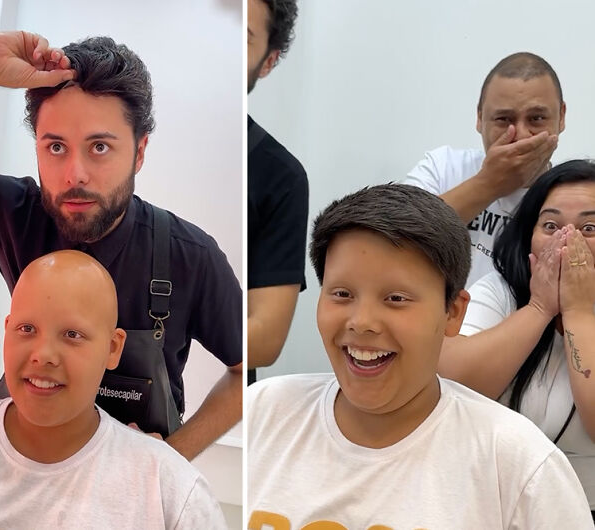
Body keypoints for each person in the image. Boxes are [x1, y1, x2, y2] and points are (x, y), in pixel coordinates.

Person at [0, 31, 242, 460]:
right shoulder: (14, 213)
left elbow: (245, 370)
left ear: (139, 152)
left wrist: (172, 459)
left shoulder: (191, 256)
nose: (74, 174)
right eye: (55, 147)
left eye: (99, 147)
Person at [247, 184, 592, 528]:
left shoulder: (518, 465)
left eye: (396, 298)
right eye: (341, 293)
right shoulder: (262, 411)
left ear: (453, 313)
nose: (362, 322)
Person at [0, 250, 227, 528]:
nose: (43, 355)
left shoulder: (169, 490)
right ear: (7, 330)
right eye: (27, 329)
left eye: (72, 335)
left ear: (113, 348)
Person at [439, 160, 595, 516]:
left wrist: (579, 312)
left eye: (590, 227)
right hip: (493, 504)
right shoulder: (501, 288)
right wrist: (539, 308)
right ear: (528, 236)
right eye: (551, 225)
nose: (567, 240)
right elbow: (450, 386)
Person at [404, 52, 564, 288]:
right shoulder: (444, 167)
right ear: (480, 118)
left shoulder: (577, 193)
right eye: (503, 119)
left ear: (561, 117)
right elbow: (394, 241)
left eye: (537, 118)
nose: (519, 134)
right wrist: (488, 184)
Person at [248, 0, 309, 382]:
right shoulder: (122, 134)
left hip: (223, 417)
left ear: (268, 62)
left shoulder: (281, 177)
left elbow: (267, 338)